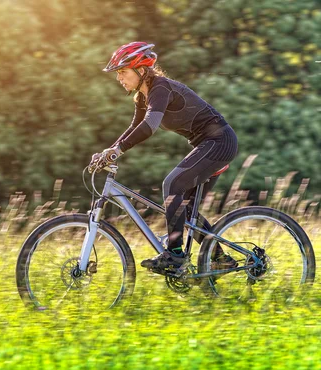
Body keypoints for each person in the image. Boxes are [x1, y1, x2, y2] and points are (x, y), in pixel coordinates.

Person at [93, 41, 238, 274]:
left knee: (172, 184)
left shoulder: (160, 88)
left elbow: (150, 126)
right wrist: (109, 151)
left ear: (141, 71)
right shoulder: (143, 96)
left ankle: (175, 255)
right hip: (207, 144)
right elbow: (136, 126)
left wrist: (118, 151)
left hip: (220, 142)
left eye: (122, 72)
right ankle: (220, 258)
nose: (119, 78)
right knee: (187, 210)